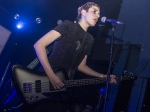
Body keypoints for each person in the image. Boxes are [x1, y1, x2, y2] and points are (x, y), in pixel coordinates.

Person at [34, 2, 116, 91]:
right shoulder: (68, 25)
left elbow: (81, 66)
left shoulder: (89, 39)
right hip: (45, 79)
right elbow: (39, 45)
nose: (98, 15)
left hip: (63, 85)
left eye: (99, 13)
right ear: (83, 12)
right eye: (94, 11)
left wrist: (103, 76)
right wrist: (51, 75)